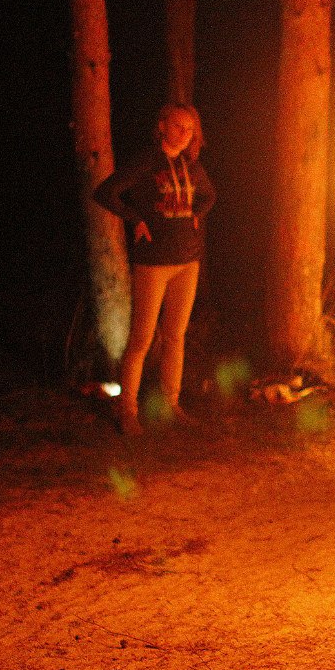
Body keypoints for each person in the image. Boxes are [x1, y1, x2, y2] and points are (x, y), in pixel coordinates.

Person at [94, 103, 215, 436]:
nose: (183, 133)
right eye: (177, 126)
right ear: (162, 126)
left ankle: (170, 404)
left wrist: (196, 214)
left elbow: (209, 195)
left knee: (176, 336)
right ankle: (127, 410)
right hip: (153, 263)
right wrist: (137, 219)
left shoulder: (191, 164)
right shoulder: (146, 161)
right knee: (142, 338)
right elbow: (105, 192)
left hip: (187, 262)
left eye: (189, 128)